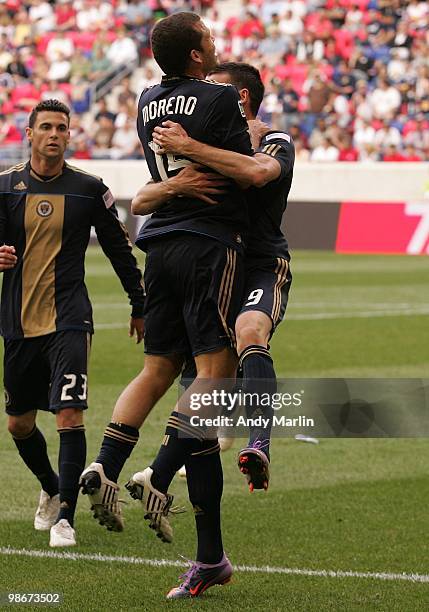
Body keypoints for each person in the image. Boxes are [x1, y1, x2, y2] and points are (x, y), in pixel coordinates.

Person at [80, 12, 253, 599]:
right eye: (209, 36)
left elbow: (162, 172)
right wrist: (206, 147)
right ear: (200, 56)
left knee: (156, 368)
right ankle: (160, 467)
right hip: (210, 244)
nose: (215, 40)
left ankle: (104, 459)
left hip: (160, 243)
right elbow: (240, 169)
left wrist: (181, 163)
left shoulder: (147, 100)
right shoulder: (224, 100)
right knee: (215, 376)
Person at [0, 99, 144, 548]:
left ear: (69, 134)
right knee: (19, 424)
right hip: (19, 321)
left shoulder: (88, 189)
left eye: (61, 127)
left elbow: (120, 249)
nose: (54, 134)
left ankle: (66, 517)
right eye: (45, 127)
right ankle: (50, 484)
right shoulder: (5, 187)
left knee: (69, 413)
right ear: (29, 134)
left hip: (71, 319)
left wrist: (138, 303)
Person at [145, 61, 294, 492]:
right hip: (211, 259)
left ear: (240, 97)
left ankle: (259, 444)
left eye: (215, 88)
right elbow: (142, 198)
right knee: (199, 368)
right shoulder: (198, 144)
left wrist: (191, 145)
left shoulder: (274, 139)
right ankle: (169, 469)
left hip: (259, 264)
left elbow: (258, 172)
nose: (205, 94)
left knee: (249, 329)